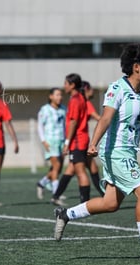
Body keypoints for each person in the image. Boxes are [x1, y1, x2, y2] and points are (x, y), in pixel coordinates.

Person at [53, 42, 140, 261]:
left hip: (128, 153)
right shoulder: (117, 88)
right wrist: (93, 142)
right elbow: (105, 118)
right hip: (115, 152)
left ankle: (65, 214)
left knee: (110, 204)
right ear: (136, 66)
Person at [50, 74, 90, 206]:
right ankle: (56, 196)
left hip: (78, 141)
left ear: (72, 85)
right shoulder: (80, 98)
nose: (64, 86)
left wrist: (67, 142)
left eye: (66, 83)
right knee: (70, 170)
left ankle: (85, 204)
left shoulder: (75, 100)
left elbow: (73, 122)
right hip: (81, 139)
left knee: (80, 172)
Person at [36, 88, 66, 200]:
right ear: (51, 96)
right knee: (56, 166)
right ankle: (56, 193)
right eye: (57, 95)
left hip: (62, 141)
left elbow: (65, 125)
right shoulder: (44, 110)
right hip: (50, 141)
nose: (60, 97)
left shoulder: (63, 109)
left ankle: (41, 183)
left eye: (61, 95)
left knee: (58, 167)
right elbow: (40, 126)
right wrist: (43, 140)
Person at [82, 80, 104, 197]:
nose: (92, 90)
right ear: (85, 89)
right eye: (90, 88)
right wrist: (109, 120)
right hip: (80, 142)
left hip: (79, 142)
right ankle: (83, 202)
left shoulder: (78, 102)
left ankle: (104, 194)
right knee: (77, 171)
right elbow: (100, 119)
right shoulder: (85, 103)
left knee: (93, 168)